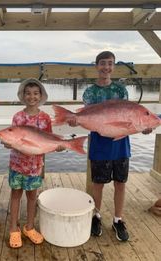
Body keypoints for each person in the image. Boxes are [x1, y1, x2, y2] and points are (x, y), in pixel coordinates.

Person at [68, 51, 151, 242]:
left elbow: (129, 118)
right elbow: (88, 116)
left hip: (121, 144)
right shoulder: (89, 92)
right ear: (96, 66)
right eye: (103, 63)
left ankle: (118, 219)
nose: (106, 67)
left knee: (120, 183)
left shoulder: (122, 90)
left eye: (110, 63)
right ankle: (96, 216)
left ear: (113, 66)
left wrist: (144, 127)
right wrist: (76, 120)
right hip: (99, 143)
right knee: (98, 183)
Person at [2, 78, 64, 248]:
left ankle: (29, 227)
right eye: (28, 93)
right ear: (23, 96)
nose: (32, 97)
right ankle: (13, 228)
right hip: (17, 165)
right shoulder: (18, 117)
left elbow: (49, 140)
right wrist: (9, 143)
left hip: (35, 166)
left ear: (41, 96)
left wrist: (58, 146)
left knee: (31, 196)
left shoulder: (45, 118)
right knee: (15, 195)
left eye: (35, 93)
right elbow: (12, 138)